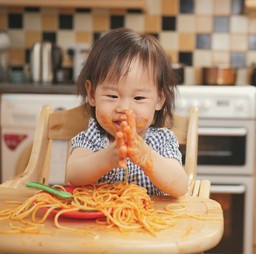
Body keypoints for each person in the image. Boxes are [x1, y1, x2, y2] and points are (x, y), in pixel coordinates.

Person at [67, 28, 188, 198]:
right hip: (97, 221)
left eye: (138, 97)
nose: (124, 108)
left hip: (152, 221)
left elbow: (180, 186)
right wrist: (108, 158)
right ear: (92, 94)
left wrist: (147, 158)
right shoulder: (92, 137)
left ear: (159, 99)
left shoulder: (162, 140)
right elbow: (72, 175)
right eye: (112, 96)